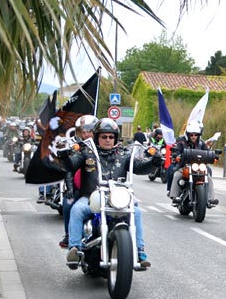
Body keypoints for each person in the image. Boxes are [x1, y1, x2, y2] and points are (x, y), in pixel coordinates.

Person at [60, 118, 160, 268]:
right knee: (77, 209)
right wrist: (65, 157)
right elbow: (72, 164)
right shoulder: (87, 152)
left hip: (118, 198)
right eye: (104, 137)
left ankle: (139, 251)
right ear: (97, 137)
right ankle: (74, 249)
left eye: (111, 137)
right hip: (91, 197)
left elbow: (139, 167)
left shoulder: (124, 154)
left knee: (137, 212)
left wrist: (154, 162)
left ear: (115, 138)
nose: (107, 140)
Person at [57, 115, 97, 248]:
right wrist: (70, 188)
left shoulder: (102, 146)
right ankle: (69, 235)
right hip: (79, 188)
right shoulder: (75, 147)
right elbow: (70, 169)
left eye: (89, 130)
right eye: (83, 131)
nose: (86, 134)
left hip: (97, 188)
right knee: (68, 204)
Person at [167, 121, 219, 207]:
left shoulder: (201, 143)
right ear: (188, 135)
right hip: (184, 166)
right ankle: (174, 197)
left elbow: (207, 151)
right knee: (176, 175)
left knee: (208, 177)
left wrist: (213, 155)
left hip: (199, 167)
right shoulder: (181, 142)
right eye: (191, 135)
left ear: (198, 135)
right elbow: (176, 149)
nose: (194, 137)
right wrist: (176, 154)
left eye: (196, 135)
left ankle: (210, 199)